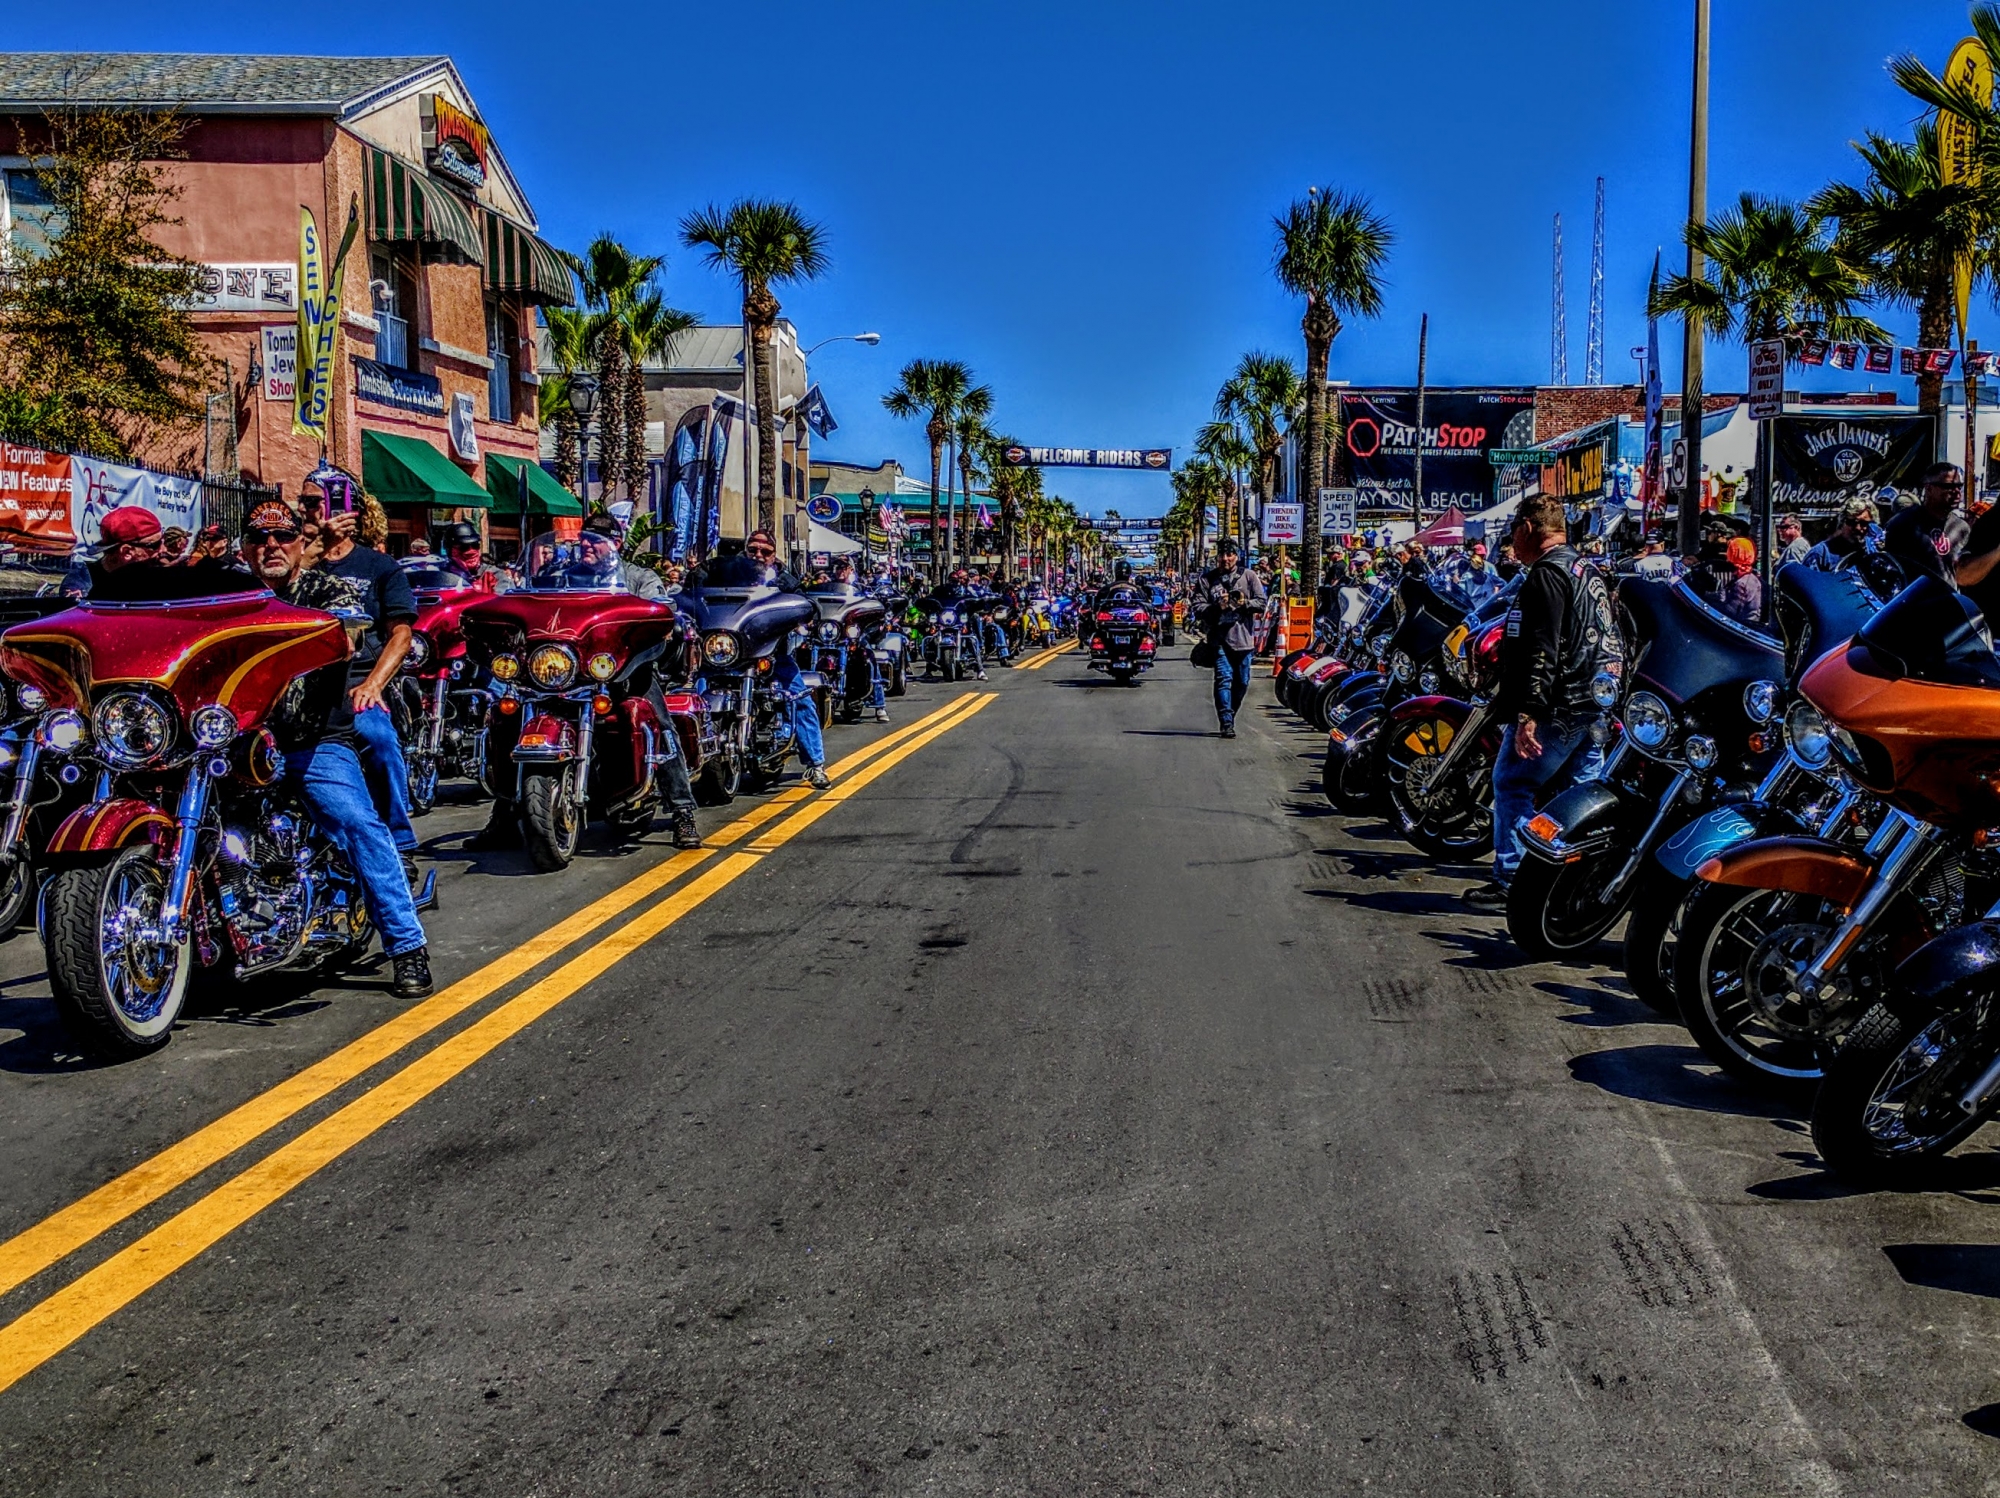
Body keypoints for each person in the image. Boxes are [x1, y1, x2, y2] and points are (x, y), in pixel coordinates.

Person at [241, 501, 432, 997]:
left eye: (283, 537)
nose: (271, 548)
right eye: (259, 539)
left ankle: (407, 946)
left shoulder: (330, 589)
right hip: (237, 742)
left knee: (357, 823)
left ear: (301, 544)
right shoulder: (229, 594)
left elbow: (350, 633)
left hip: (312, 736)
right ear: (245, 548)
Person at [1463, 496, 1617, 913]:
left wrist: (1529, 712)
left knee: (1514, 782)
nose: (1511, 540)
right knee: (1578, 798)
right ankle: (1568, 881)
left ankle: (1512, 878)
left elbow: (1542, 649)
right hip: (1592, 701)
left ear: (1529, 527)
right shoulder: (1585, 569)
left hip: (1559, 704)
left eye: (1514, 529)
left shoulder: (1547, 574)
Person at [308, 492, 422, 883]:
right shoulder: (291, 566)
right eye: (305, 502)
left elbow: (402, 634)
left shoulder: (379, 567)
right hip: (297, 682)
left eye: (318, 501)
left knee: (378, 739)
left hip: (356, 680)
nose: (310, 510)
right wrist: (310, 552)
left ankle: (400, 844)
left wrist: (373, 684)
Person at [76, 506, 254, 601]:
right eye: (154, 545)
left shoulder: (158, 574)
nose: (162, 549)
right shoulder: (84, 584)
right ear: (127, 552)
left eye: (162, 541)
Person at [1197, 537, 1266, 738]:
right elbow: (1197, 607)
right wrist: (1217, 607)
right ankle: (1226, 722)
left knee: (1242, 682)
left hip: (1244, 640)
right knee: (1223, 680)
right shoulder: (1207, 580)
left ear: (1236, 556)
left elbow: (1262, 602)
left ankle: (1231, 714)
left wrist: (1243, 603)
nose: (1225, 559)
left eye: (1230, 554)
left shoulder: (1249, 576)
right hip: (1220, 640)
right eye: (1222, 555)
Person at [1884, 463, 1968, 586]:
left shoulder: (1961, 527)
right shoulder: (1902, 524)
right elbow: (1892, 571)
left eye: (1959, 486)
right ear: (1929, 489)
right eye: (1949, 486)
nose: (1956, 492)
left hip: (1950, 601)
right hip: (1914, 601)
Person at [1801, 498, 1877, 573]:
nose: (1858, 528)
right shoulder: (1820, 554)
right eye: (1852, 522)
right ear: (1842, 522)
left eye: (1864, 523)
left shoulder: (1871, 549)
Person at [1716, 536, 1762, 623]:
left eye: (1730, 551)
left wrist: (1716, 598)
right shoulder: (1752, 576)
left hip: (1743, 626)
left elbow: (1730, 612)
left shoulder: (1741, 583)